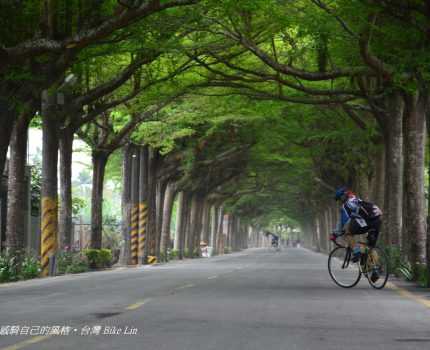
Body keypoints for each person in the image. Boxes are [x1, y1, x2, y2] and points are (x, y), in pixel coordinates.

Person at [331, 187, 382, 281]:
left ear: (343, 197)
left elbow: (343, 222)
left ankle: (356, 252)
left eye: (339, 199)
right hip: (377, 219)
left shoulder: (346, 205)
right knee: (371, 246)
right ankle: (375, 269)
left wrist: (335, 234)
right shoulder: (356, 199)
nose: (340, 201)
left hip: (367, 221)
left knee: (347, 233)